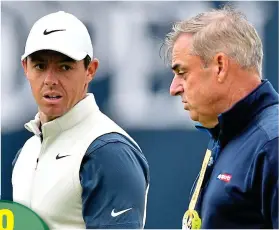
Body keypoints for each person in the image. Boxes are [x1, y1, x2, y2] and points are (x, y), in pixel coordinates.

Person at [12, 11, 150, 229]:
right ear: (25, 68)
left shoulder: (110, 151)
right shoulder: (28, 151)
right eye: (40, 66)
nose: (50, 80)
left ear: (90, 70)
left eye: (64, 67)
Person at [163, 5, 278, 229]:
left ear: (220, 66)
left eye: (182, 73)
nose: (174, 88)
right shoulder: (231, 135)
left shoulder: (272, 143)